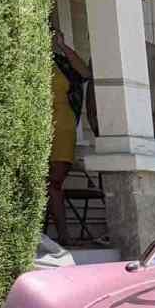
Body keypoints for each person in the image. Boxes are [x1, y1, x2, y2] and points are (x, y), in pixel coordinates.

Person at [47, 14, 90, 246]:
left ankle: (64, 236)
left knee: (54, 181)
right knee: (41, 182)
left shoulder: (60, 62)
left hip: (62, 125)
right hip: (36, 127)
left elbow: (84, 73)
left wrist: (62, 46)